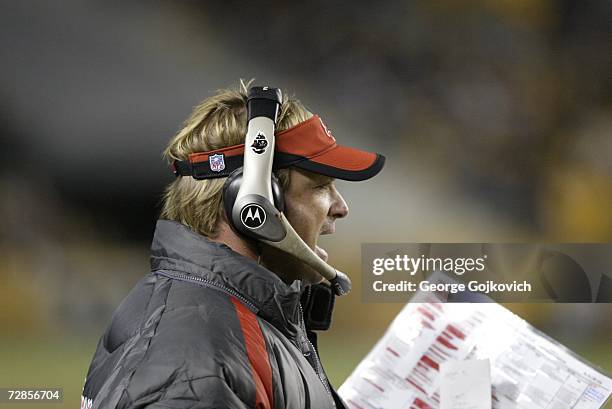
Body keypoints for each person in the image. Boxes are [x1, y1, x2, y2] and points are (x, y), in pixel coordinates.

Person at [81, 82, 385, 409]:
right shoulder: (190, 368)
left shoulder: (236, 326)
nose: (341, 207)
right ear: (256, 205)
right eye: (321, 186)